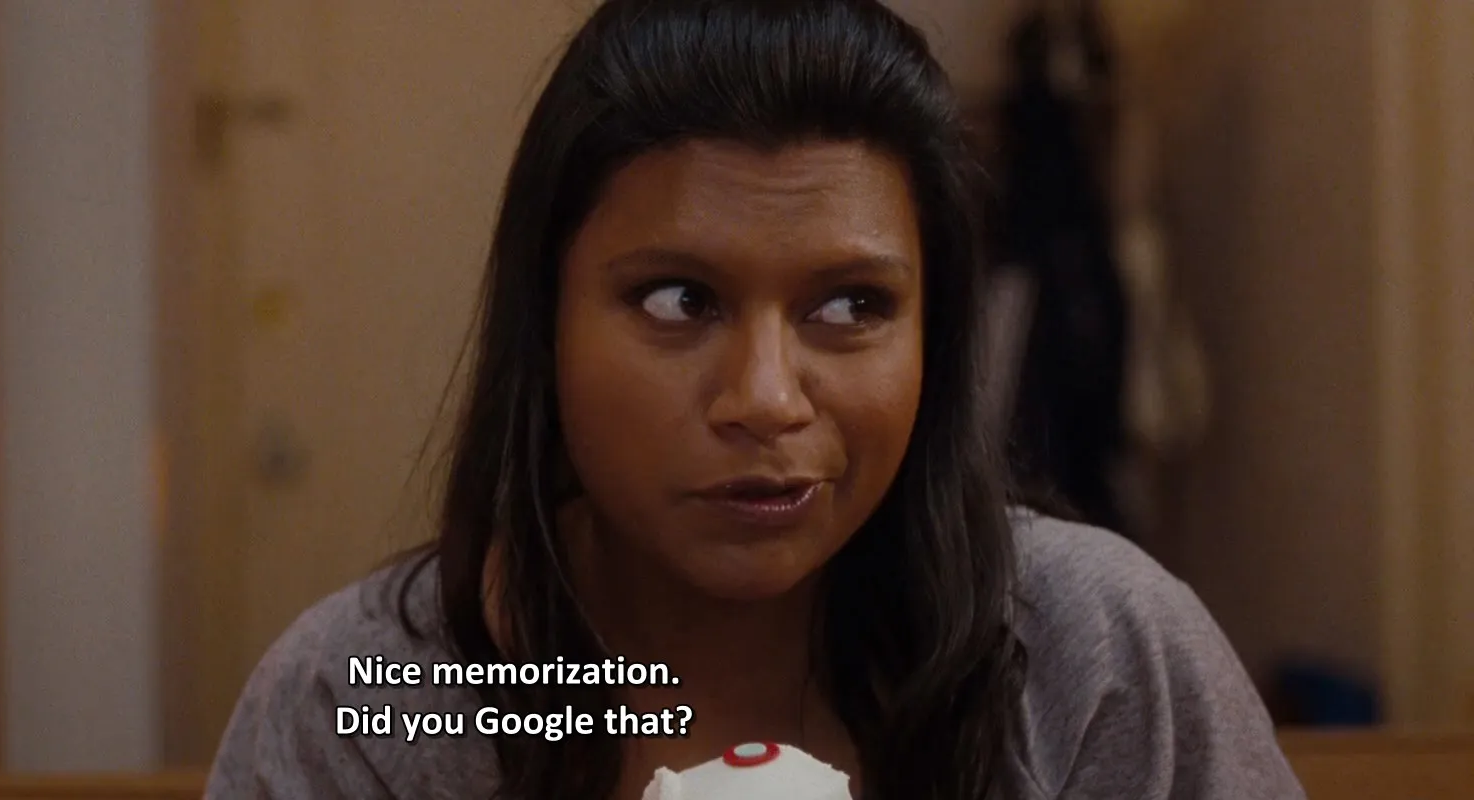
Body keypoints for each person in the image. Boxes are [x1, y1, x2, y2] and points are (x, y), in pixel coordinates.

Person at [204, 1, 1306, 798]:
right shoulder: (372, 701)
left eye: (851, 305)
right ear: (546, 323)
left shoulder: (1096, 658)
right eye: (679, 300)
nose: (766, 399)